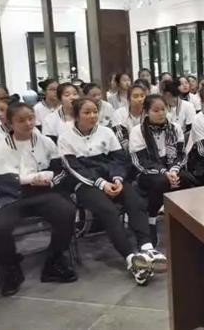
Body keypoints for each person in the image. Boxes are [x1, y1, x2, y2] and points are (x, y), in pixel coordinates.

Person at [58, 98, 166, 285]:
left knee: (135, 201)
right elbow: (74, 168)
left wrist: (117, 178)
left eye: (95, 111)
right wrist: (101, 184)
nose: (93, 116)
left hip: (113, 179)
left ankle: (147, 247)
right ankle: (131, 258)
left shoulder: (106, 132)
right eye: (87, 112)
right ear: (76, 116)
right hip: (85, 184)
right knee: (108, 211)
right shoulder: (65, 137)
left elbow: (119, 160)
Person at [0, 102, 77, 296]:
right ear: (10, 123)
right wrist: (28, 179)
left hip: (42, 193)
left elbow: (60, 170)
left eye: (31, 118)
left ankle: (54, 260)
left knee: (66, 211)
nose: (28, 123)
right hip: (10, 197)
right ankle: (10, 268)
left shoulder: (45, 142)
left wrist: (49, 180)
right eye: (21, 120)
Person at [129, 95, 197, 245]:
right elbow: (140, 162)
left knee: (189, 179)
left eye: (163, 109)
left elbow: (181, 155)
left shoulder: (175, 128)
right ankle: (151, 219)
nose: (161, 113)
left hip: (171, 168)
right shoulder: (138, 131)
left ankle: (184, 220)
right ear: (146, 112)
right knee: (161, 182)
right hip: (147, 172)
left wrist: (173, 170)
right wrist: (164, 172)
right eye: (156, 110)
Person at [112, 83, 147, 150]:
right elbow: (122, 139)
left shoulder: (149, 112)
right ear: (128, 98)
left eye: (142, 96)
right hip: (126, 150)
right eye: (135, 96)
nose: (140, 99)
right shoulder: (119, 113)